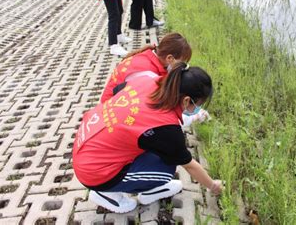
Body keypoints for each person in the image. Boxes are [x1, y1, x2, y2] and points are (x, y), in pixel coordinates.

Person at [72, 62, 223, 213]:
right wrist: (212, 185)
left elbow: (118, 90)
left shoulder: (148, 80)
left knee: (157, 148)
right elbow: (189, 164)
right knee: (167, 168)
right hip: (93, 172)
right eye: (198, 105)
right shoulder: (166, 127)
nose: (197, 109)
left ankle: (128, 178)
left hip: (86, 141)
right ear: (186, 100)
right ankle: (107, 193)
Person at [100, 32, 192, 103]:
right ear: (170, 58)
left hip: (114, 104)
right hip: (113, 112)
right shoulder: (148, 75)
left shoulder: (147, 56)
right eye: (182, 63)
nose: (182, 67)